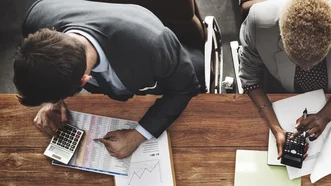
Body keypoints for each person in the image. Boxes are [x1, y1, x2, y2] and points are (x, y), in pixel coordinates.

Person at [14, 0, 205, 159]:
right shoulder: (37, 17)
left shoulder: (154, 45)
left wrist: (137, 136)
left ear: (84, 80)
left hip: (172, 71)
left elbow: (184, 88)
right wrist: (53, 100)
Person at [239, 0, 331, 159]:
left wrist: (326, 114)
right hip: (278, 89)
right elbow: (249, 77)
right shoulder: (259, 21)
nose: (307, 69)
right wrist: (276, 128)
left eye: (316, 62)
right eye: (295, 60)